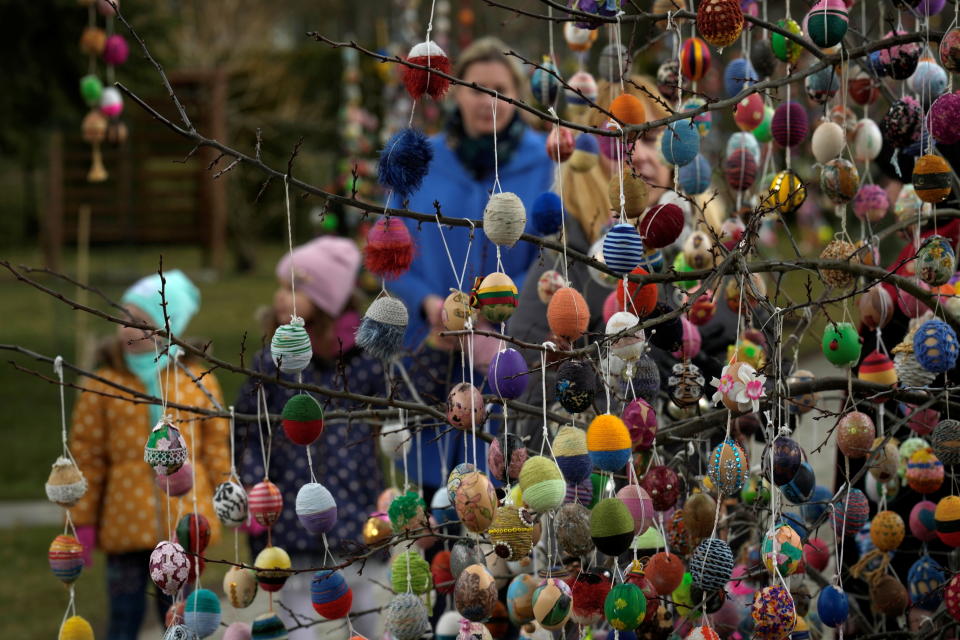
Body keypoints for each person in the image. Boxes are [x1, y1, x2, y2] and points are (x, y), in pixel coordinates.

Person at [387, 36, 555, 492]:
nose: (489, 101)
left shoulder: (547, 161)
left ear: (518, 93)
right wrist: (427, 304)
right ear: (456, 92)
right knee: (431, 496)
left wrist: (499, 308)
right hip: (431, 347)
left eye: (501, 88)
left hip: (511, 350)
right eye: (477, 88)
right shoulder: (419, 161)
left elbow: (557, 253)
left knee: (505, 490)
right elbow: (389, 251)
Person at [234, 236, 386, 640]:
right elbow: (249, 427)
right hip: (289, 510)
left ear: (328, 298)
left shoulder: (361, 361)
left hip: (354, 503)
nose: (282, 297)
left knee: (366, 612)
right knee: (296, 618)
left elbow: (396, 404)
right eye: (282, 286)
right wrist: (252, 486)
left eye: (295, 287)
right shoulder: (271, 362)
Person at [68, 270, 230, 640]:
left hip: (185, 525)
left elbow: (217, 447)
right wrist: (83, 522)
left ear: (167, 328)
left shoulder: (196, 380)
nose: (127, 329)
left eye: (141, 322)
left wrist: (228, 495)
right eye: (123, 318)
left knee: (180, 618)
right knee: (124, 617)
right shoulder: (102, 384)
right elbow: (87, 456)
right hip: (125, 527)